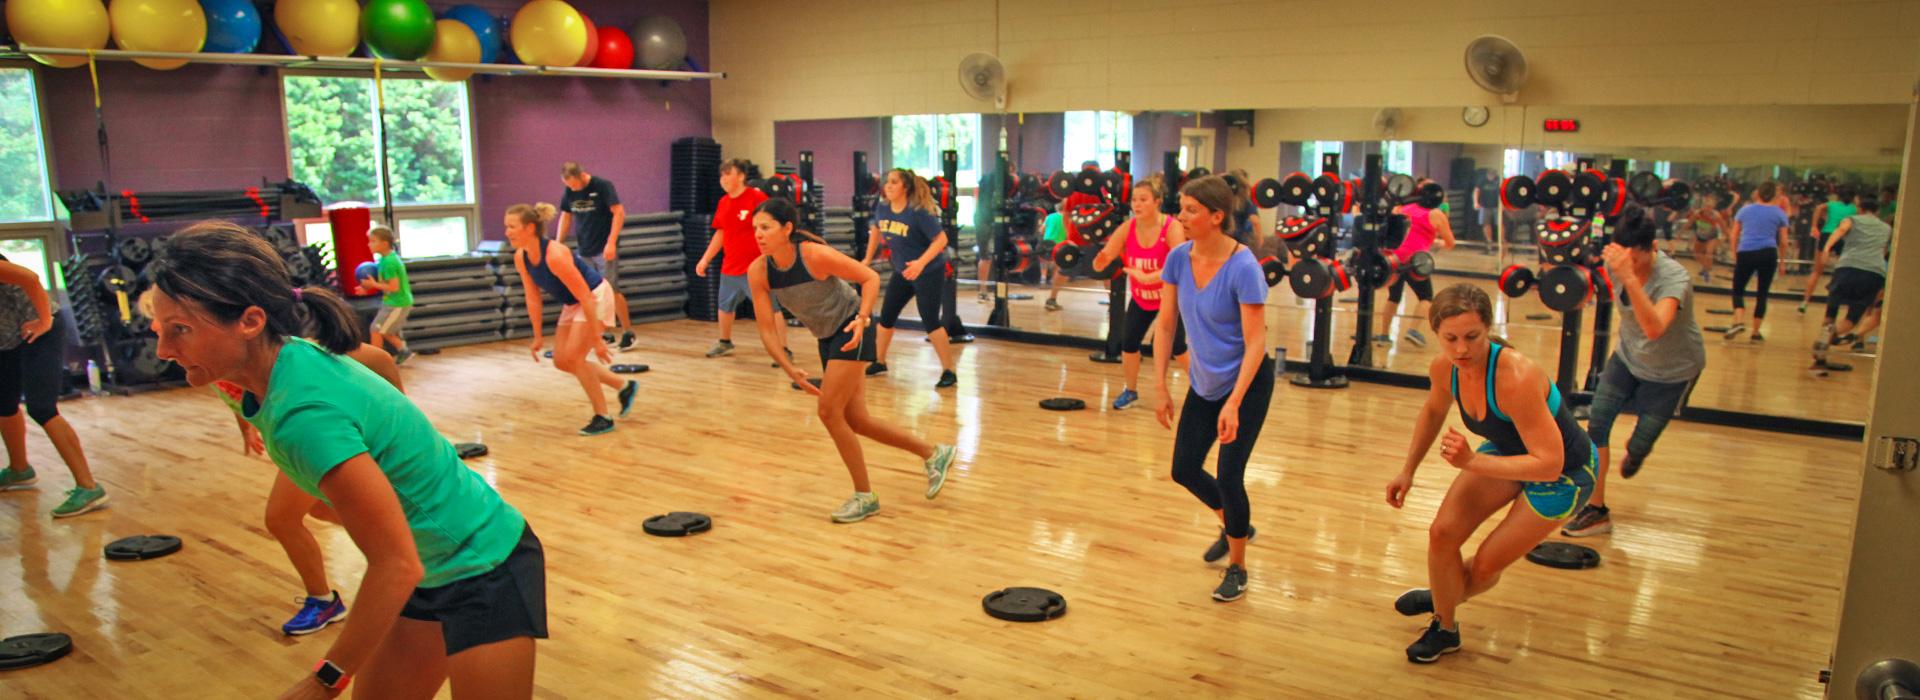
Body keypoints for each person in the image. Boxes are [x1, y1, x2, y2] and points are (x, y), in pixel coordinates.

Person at [146, 221, 545, 698]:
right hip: (427, 568)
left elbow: (394, 565)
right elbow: (374, 363)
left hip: (485, 564)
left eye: (180, 331)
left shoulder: (306, 418)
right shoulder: (281, 358)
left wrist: (323, 681)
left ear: (251, 321)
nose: (164, 350)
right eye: (158, 330)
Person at [1383, 283, 1597, 664]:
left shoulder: (1516, 376)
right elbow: (1433, 411)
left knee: (1483, 566)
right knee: (1442, 533)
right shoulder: (1444, 368)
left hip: (1565, 473)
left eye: (1472, 337)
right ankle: (1445, 626)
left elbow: (1548, 463)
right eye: (1450, 338)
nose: (1461, 349)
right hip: (1508, 452)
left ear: (1488, 330)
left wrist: (1471, 461)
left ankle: (1443, 595)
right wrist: (1407, 470)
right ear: (1436, 334)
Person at [748, 198, 956, 523]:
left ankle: (864, 496)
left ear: (787, 229)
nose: (758, 235)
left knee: (829, 412)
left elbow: (869, 277)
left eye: (766, 227)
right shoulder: (759, 271)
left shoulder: (813, 256)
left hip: (852, 327)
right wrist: (790, 369)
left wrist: (862, 318)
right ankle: (933, 453)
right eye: (755, 229)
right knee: (857, 421)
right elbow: (765, 330)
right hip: (827, 336)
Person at [205, 328, 405, 636]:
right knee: (321, 511)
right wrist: (246, 428)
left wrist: (401, 414)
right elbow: (237, 394)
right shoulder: (212, 362)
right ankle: (403, 548)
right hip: (297, 440)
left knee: (281, 518)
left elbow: (378, 359)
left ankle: (326, 600)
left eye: (178, 329)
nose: (165, 346)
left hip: (322, 436)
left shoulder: (290, 355)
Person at [1152, 175, 1274, 603]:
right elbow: (1166, 325)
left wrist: (1235, 402)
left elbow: (1256, 341)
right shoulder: (1178, 260)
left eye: (1190, 211)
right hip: (1204, 381)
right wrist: (1161, 386)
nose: (1181, 217)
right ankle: (1234, 524)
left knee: (1228, 475)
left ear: (1216, 217)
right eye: (1180, 208)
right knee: (1184, 469)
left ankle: (1237, 568)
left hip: (1247, 383)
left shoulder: (1243, 267)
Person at [1561, 206, 1706, 537]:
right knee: (1596, 425)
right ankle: (1596, 511)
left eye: (1638, 262)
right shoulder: (1616, 262)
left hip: (1673, 372)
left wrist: (1628, 276)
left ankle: (1638, 451)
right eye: (1627, 262)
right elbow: (1578, 276)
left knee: (1638, 446)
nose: (1632, 269)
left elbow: (1655, 328)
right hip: (1626, 359)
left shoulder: (1674, 278)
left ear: (1653, 248)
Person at [506, 203, 639, 436]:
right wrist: (537, 337)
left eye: (512, 227)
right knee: (561, 360)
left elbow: (586, 297)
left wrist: (598, 340)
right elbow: (533, 298)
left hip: (594, 296)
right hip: (575, 303)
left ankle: (603, 417)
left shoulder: (555, 255)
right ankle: (623, 386)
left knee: (576, 358)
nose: (507, 232)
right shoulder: (521, 257)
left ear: (529, 228)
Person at [0, 255, 105, 518]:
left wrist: (44, 320)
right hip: (7, 336)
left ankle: (89, 486)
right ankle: (19, 470)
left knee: (41, 407)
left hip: (39, 329)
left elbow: (30, 278)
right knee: (3, 403)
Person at [1090, 174, 1189, 410]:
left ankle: (1206, 392)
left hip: (1170, 299)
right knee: (1129, 342)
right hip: (1142, 298)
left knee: (1177, 347)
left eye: (1143, 199)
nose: (1137, 205)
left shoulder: (1172, 228)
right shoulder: (1127, 228)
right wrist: (1097, 259)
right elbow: (1101, 261)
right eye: (1134, 200)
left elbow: (1179, 267)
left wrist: (1148, 276)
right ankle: (1131, 390)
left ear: (1157, 202)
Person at [860, 169, 960, 388]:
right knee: (886, 317)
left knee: (930, 321)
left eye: (894, 182)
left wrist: (920, 263)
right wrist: (867, 259)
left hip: (928, 271)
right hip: (902, 272)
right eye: (887, 182)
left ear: (905, 187)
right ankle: (880, 361)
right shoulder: (883, 207)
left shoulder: (918, 213)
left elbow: (941, 240)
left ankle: (949, 371)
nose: (888, 186)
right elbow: (876, 230)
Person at [694, 158, 788, 359]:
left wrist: (774, 256)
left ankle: (783, 349)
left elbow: (773, 227)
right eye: (722, 174)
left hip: (756, 267)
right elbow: (720, 233)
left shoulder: (756, 198)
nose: (723, 178)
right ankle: (725, 342)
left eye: (728, 173)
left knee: (771, 309)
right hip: (730, 266)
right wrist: (705, 259)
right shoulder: (724, 202)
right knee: (724, 307)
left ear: (741, 176)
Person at [556, 162, 637, 352]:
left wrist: (611, 242)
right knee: (590, 293)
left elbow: (618, 213)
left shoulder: (602, 186)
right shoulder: (570, 192)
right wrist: (558, 243)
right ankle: (602, 333)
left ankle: (628, 332)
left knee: (611, 290)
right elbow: (566, 216)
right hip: (584, 248)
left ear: (582, 175)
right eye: (569, 186)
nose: (573, 189)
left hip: (604, 247)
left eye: (575, 185)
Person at [1813, 194, 1894, 375]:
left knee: (1831, 312)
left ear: (1860, 208)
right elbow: (1883, 251)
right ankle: (1826, 342)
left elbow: (1842, 230)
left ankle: (1821, 350)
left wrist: (1826, 248)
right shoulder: (1886, 228)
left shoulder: (1852, 219)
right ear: (1877, 211)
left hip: (1847, 268)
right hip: (1874, 272)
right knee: (1852, 318)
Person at [1385, 186, 1458, 348]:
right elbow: (1450, 243)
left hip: (1395, 257)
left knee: (1393, 297)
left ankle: (1383, 335)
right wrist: (1436, 242)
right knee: (1426, 297)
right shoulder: (1436, 215)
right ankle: (1413, 331)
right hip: (1415, 261)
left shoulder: (1404, 208)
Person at [1726, 180, 1789, 342]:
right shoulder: (1779, 213)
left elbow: (1734, 235)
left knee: (1738, 289)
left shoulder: (1745, 210)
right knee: (1762, 293)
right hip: (1768, 253)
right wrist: (1782, 262)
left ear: (1758, 193)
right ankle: (1755, 332)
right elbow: (1784, 241)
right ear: (1774, 195)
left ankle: (1739, 321)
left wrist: (1734, 253)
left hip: (1746, 251)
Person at [360, 225, 414, 365]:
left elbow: (394, 287)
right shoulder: (384, 260)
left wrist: (373, 285)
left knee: (377, 330)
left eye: (372, 241)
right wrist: (366, 289)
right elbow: (383, 283)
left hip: (398, 303)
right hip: (391, 302)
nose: (369, 244)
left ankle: (376, 362)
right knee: (385, 330)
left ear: (384, 244)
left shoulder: (390, 262)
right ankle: (403, 350)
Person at [1802, 185, 1858, 313]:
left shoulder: (1831, 204)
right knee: (1841, 270)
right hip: (1842, 237)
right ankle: (1835, 299)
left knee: (1817, 271)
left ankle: (1805, 301)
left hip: (1827, 234)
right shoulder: (1854, 209)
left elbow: (1818, 208)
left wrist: (1814, 226)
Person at [1685, 193, 1729, 284]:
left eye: (1709, 207)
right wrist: (1679, 234)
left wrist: (1728, 237)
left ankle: (1707, 271)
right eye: (1706, 206)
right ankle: (1706, 267)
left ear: (1712, 207)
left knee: (1709, 253)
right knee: (1696, 254)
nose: (1707, 208)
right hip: (1700, 235)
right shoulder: (1697, 213)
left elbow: (1724, 227)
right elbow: (1689, 223)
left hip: (1712, 236)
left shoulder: (1716, 215)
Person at [1473, 170, 1501, 252]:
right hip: (1484, 206)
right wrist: (1476, 202)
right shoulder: (1482, 180)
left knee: (1500, 224)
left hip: (1496, 206)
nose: (1491, 176)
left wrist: (1503, 205)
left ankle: (1501, 242)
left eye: (1493, 174)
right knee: (1485, 224)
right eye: (1490, 174)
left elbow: (1503, 192)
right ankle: (1489, 242)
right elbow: (1476, 191)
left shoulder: (1499, 180)